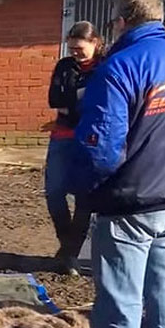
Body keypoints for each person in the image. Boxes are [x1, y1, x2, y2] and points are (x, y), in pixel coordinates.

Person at [72, 0, 165, 328]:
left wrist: (90, 187)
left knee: (121, 315)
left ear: (121, 21)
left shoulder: (119, 67)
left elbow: (100, 148)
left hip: (127, 206)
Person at [45, 21, 105, 276]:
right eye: (71, 49)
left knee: (84, 197)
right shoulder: (64, 66)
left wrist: (74, 105)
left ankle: (70, 254)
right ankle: (67, 242)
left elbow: (103, 102)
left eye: (80, 48)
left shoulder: (105, 67)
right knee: (53, 191)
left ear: (95, 43)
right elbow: (54, 99)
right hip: (62, 135)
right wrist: (79, 104)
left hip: (89, 139)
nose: (75, 53)